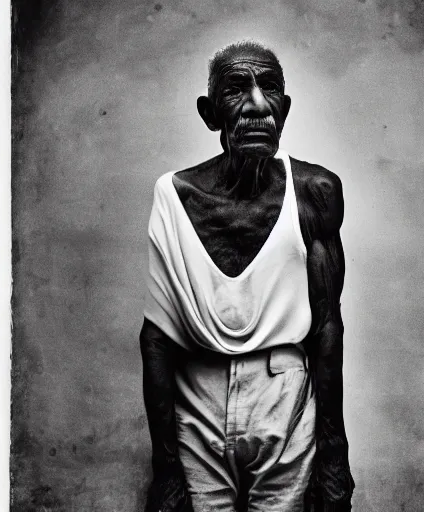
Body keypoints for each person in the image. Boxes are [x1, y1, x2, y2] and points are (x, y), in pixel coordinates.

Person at [140, 41, 355, 512]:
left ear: (285, 107)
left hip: (284, 390)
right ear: (209, 113)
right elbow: (157, 338)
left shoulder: (315, 191)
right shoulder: (173, 195)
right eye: (237, 89)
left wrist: (335, 457)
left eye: (270, 88)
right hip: (196, 394)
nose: (258, 105)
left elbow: (327, 325)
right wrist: (165, 467)